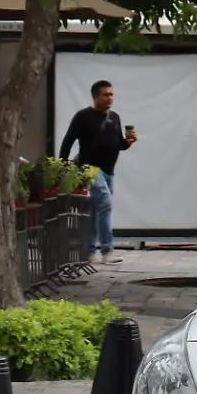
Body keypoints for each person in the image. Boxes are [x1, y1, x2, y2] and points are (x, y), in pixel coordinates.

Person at [60, 79, 135, 264]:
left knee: (95, 209)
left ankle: (90, 251)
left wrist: (128, 142)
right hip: (90, 169)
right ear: (95, 97)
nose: (110, 98)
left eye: (111, 94)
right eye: (105, 94)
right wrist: (62, 165)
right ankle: (107, 250)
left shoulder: (115, 117)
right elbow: (68, 140)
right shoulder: (83, 117)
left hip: (109, 170)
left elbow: (119, 144)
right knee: (105, 203)